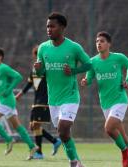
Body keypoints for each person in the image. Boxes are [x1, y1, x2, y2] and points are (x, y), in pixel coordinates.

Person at [34, 12, 91, 167]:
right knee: (64, 134)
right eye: (47, 26)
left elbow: (88, 65)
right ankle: (77, 162)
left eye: (52, 26)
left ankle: (73, 162)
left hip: (70, 97)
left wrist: (73, 71)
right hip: (53, 99)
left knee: (63, 129)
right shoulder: (43, 48)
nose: (49, 29)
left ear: (62, 27)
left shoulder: (73, 47)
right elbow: (41, 74)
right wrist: (38, 70)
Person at [81, 31, 128, 167]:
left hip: (120, 99)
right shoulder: (93, 61)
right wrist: (85, 81)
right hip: (105, 103)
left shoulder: (118, 58)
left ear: (109, 44)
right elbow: (89, 78)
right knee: (121, 133)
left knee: (108, 128)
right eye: (97, 41)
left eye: (102, 41)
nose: (99, 44)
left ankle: (124, 152)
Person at [0, 47, 37, 160]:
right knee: (17, 126)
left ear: (0, 57)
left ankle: (9, 140)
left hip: (7, 101)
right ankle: (32, 146)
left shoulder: (3, 68)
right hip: (6, 101)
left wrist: (9, 89)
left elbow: (18, 77)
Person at [15, 45, 61, 159]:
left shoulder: (48, 68)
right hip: (36, 101)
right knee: (33, 126)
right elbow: (30, 84)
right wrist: (20, 94)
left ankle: (39, 153)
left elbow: (55, 82)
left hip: (45, 100)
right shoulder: (34, 69)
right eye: (37, 56)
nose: (38, 58)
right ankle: (54, 141)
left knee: (36, 124)